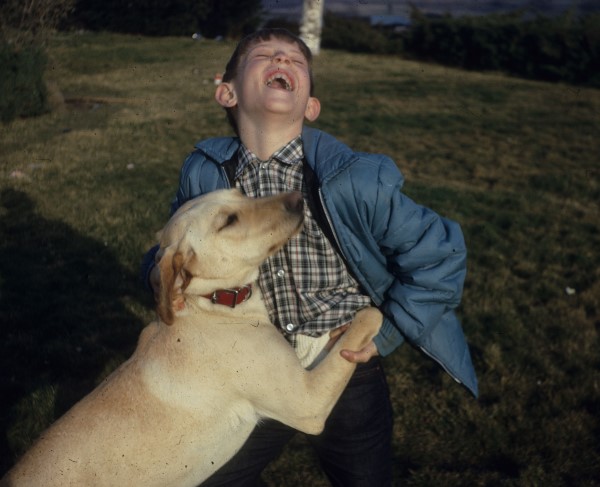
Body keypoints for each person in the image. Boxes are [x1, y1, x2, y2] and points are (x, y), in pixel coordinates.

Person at [141, 28, 478, 487]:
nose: (282, 59)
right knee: (215, 479)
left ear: (311, 106)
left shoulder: (352, 180)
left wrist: (393, 329)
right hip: (256, 362)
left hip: (345, 362)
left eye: (296, 61)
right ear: (228, 91)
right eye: (265, 55)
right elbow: (175, 245)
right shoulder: (204, 174)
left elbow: (439, 254)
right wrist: (162, 279)